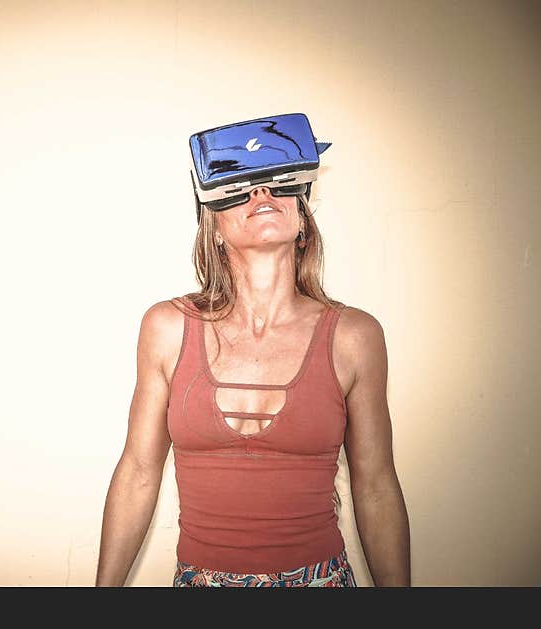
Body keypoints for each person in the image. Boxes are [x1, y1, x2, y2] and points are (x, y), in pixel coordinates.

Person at [95, 177, 410, 587]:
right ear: (214, 230)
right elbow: (138, 472)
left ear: (302, 223)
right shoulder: (168, 327)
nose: (262, 194)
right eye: (239, 190)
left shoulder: (355, 336)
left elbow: (376, 486)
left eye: (279, 186)